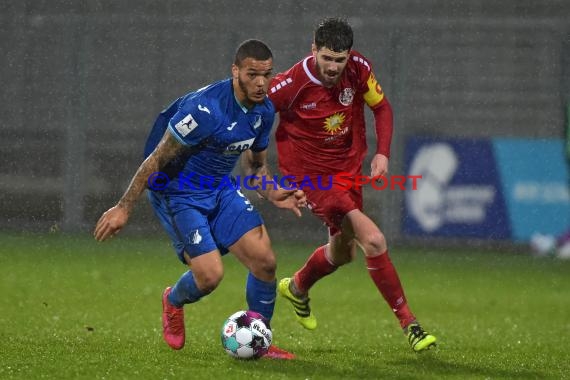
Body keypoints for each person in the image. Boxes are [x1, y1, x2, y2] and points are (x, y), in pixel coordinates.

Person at [94, 39, 305, 360]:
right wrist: (124, 208)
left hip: (219, 188)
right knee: (210, 277)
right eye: (252, 75)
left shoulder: (264, 110)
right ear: (235, 71)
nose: (262, 83)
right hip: (178, 194)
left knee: (265, 261)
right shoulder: (205, 110)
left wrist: (274, 191)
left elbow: (256, 166)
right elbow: (155, 160)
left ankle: (261, 340)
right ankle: (173, 301)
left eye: (267, 75)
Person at [268, 18, 437, 352]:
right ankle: (410, 324)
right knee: (373, 240)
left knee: (342, 254)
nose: (333, 66)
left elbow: (382, 107)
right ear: (313, 49)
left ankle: (297, 287)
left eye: (339, 59)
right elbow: (254, 119)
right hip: (311, 179)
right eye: (327, 58)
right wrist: (267, 176)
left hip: (347, 170)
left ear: (349, 55)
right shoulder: (290, 84)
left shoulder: (359, 70)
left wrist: (383, 154)